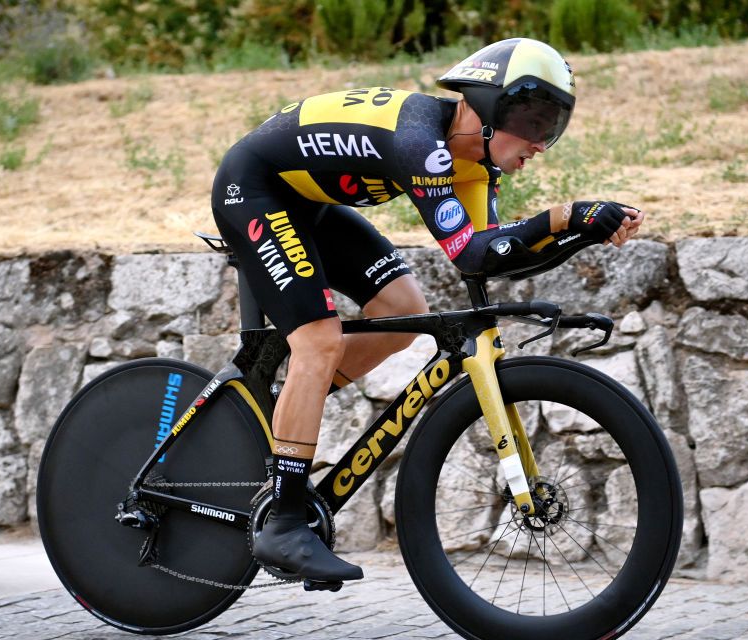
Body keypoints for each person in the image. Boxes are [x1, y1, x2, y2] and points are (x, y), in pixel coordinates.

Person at [210, 37, 645, 583]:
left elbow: (490, 260)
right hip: (255, 190)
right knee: (317, 342)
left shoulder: (472, 165)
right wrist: (564, 217)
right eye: (535, 122)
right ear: (489, 108)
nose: (541, 142)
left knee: (401, 309)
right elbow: (472, 251)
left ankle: (287, 407)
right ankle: (284, 523)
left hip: (309, 205)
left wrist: (580, 230)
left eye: (552, 127)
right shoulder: (420, 141)